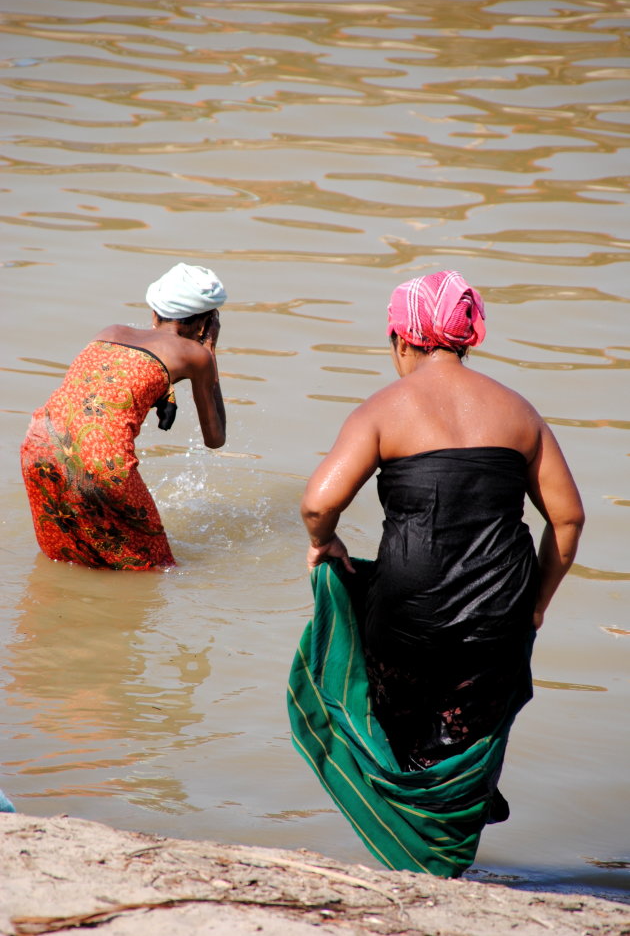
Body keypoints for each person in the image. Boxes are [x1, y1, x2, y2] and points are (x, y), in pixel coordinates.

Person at [288, 269, 584, 877]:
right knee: (460, 743)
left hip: (406, 620)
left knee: (401, 742)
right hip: (496, 622)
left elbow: (319, 501)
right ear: (464, 339)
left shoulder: (384, 410)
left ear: (403, 340)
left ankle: (407, 857)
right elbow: (569, 520)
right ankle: (447, 863)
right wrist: (536, 603)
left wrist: (325, 543)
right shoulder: (519, 413)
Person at [20, 263, 227, 570]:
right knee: (155, 569)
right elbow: (215, 438)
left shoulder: (111, 331)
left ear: (155, 311)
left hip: (39, 446)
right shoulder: (196, 355)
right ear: (206, 322)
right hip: (103, 461)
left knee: (66, 558)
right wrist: (209, 352)